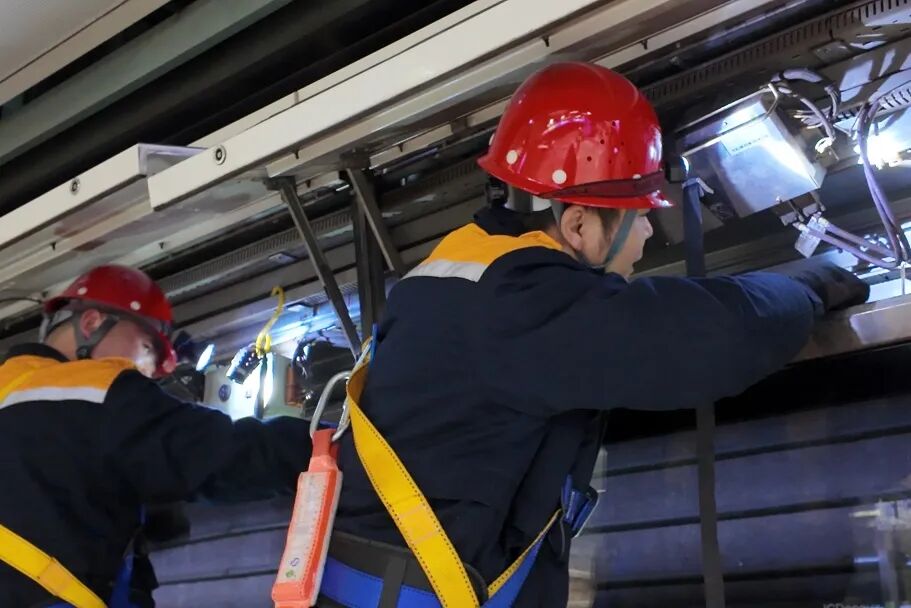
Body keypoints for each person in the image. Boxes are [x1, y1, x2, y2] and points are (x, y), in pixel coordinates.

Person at [321, 62, 870, 607]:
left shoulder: (453, 275)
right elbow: (714, 336)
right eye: (639, 214)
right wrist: (812, 286)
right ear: (579, 224)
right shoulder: (524, 302)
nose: (650, 231)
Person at [0, 265, 312, 608]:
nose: (148, 372)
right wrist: (324, 444)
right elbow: (226, 455)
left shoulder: (15, 393)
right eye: (147, 347)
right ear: (91, 323)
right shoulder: (98, 389)